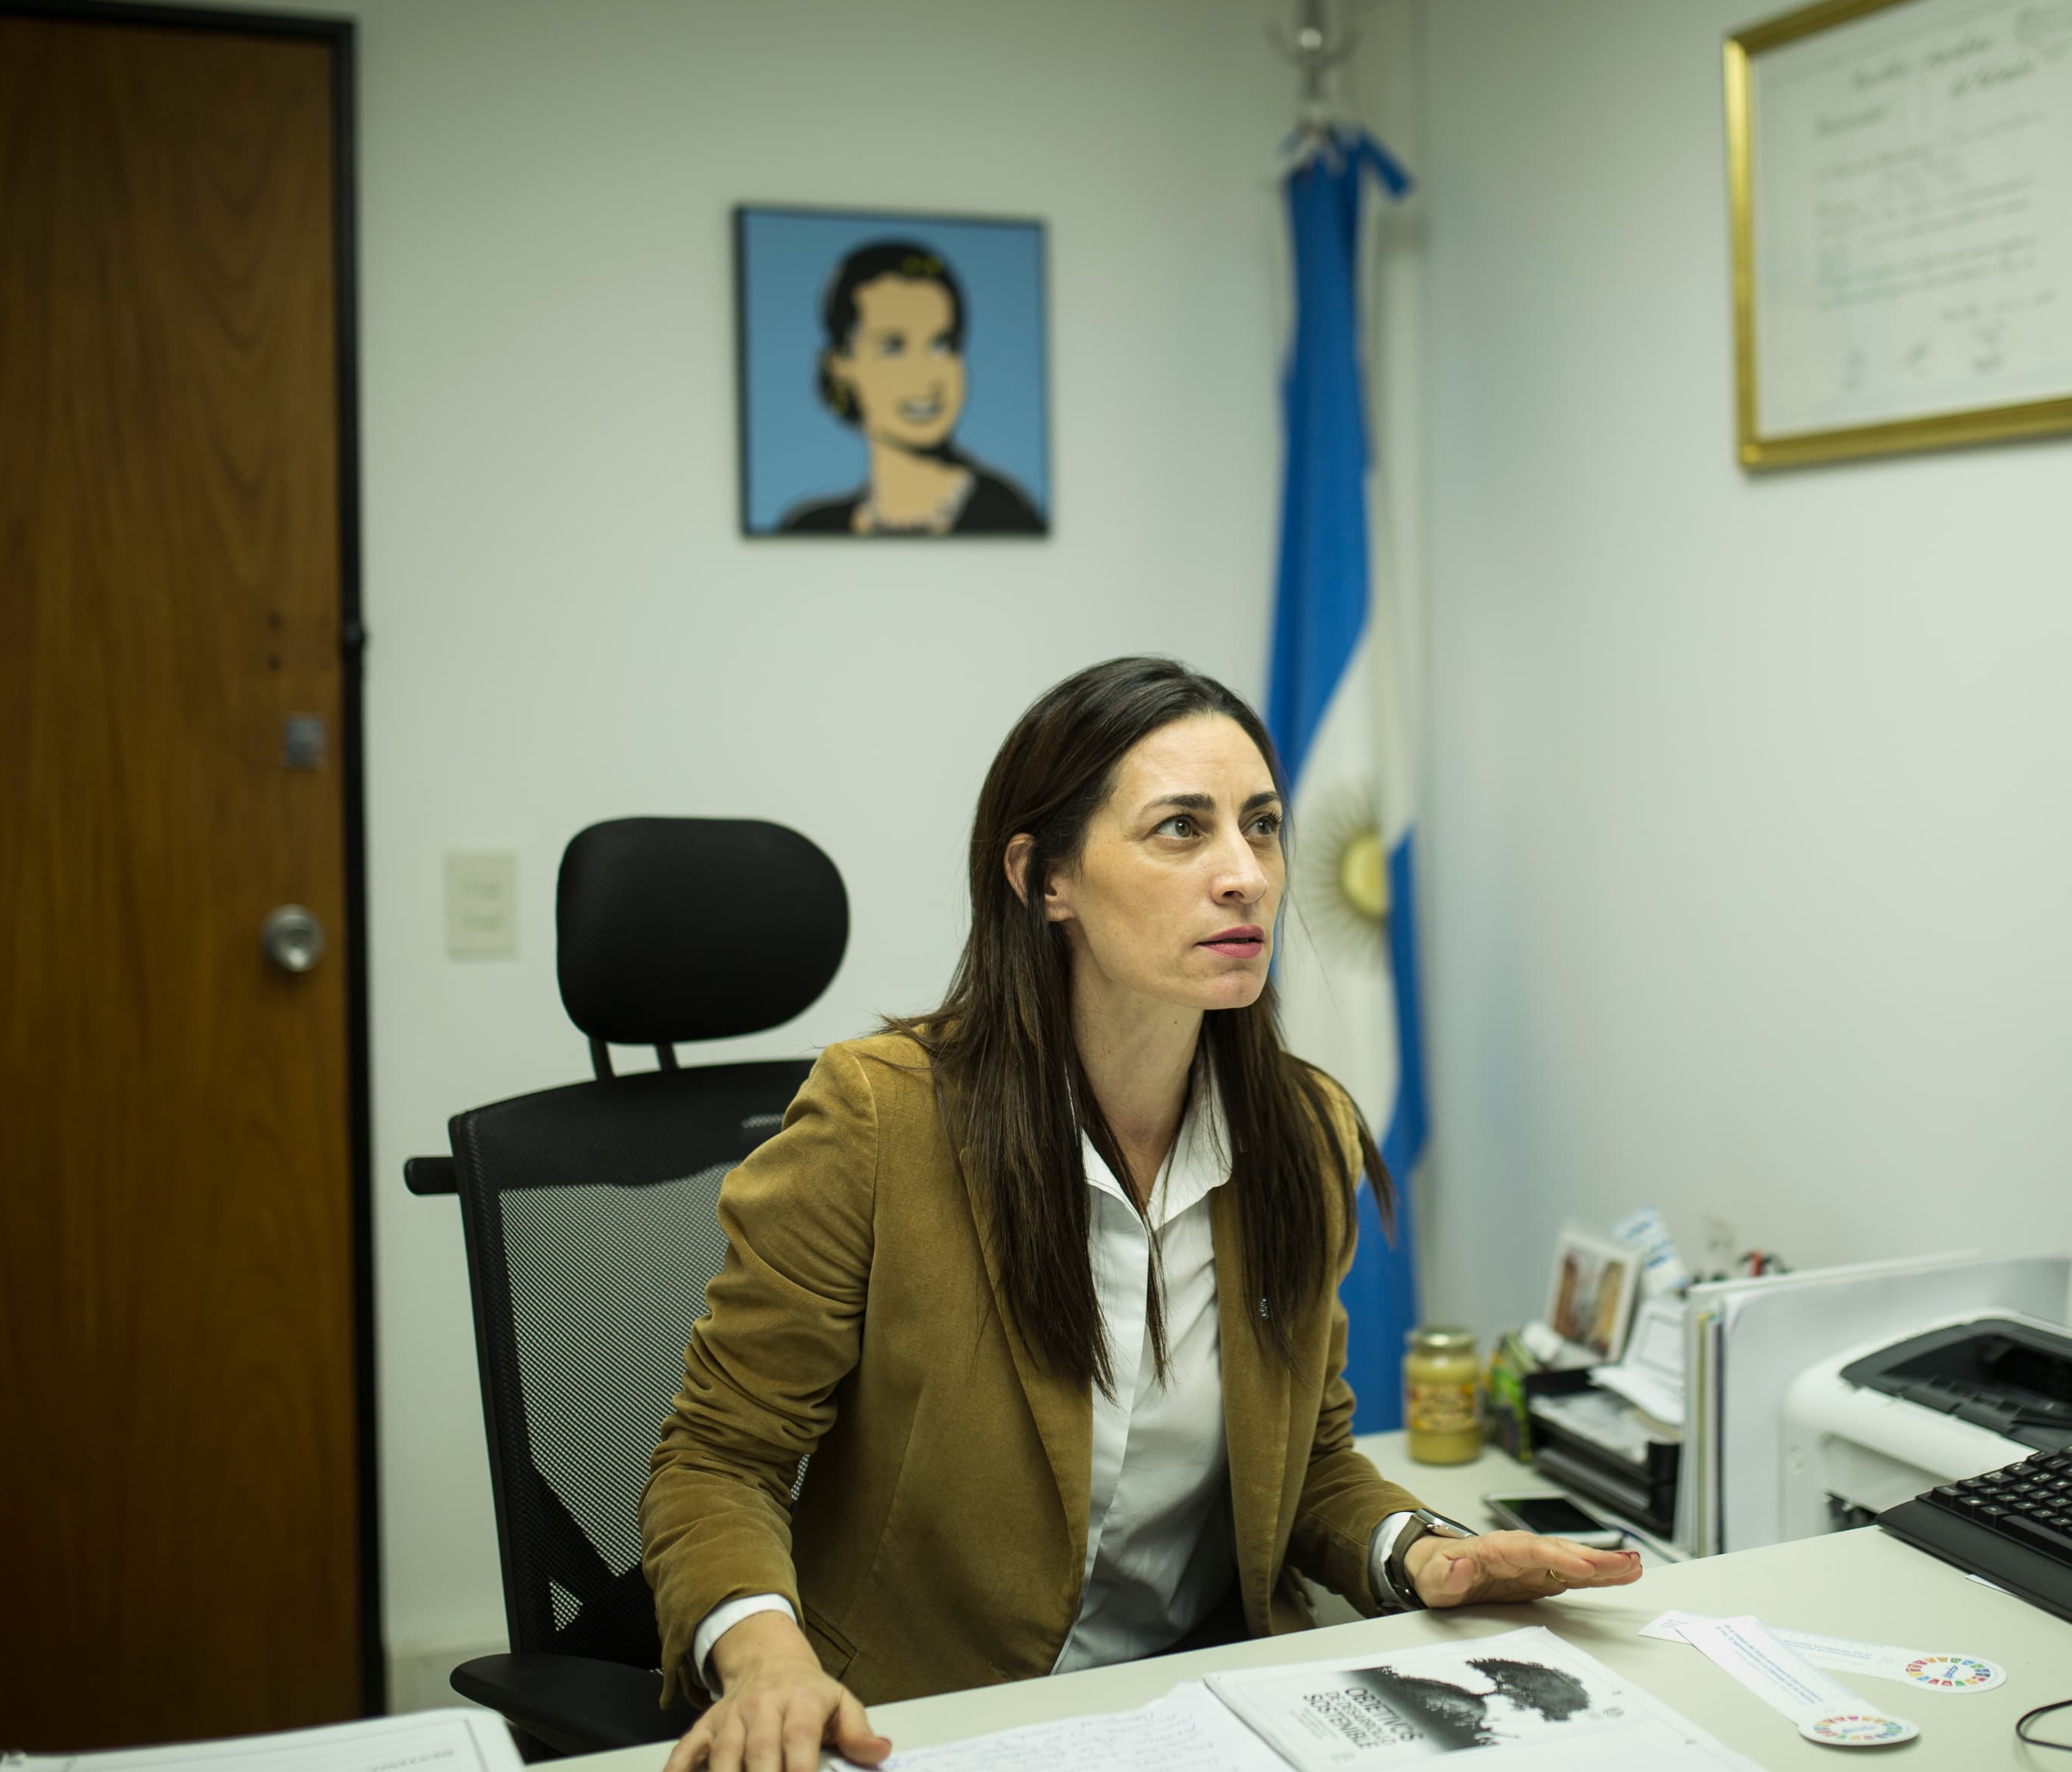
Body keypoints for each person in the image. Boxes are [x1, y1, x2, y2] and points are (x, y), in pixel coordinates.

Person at [642, 658, 1638, 1772]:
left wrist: (1418, 1549)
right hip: (918, 1723)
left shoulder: (1302, 1134)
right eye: (1180, 829)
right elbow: (718, 1460)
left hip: (1198, 1714)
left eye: (1261, 828)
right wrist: (766, 1657)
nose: (1246, 877)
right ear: (1044, 879)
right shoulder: (878, 1118)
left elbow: (1306, 1463)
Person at [776, 239, 1046, 535]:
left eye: (942, 345)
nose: (927, 376)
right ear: (840, 366)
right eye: (893, 347)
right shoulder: (811, 527)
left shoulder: (1006, 515)